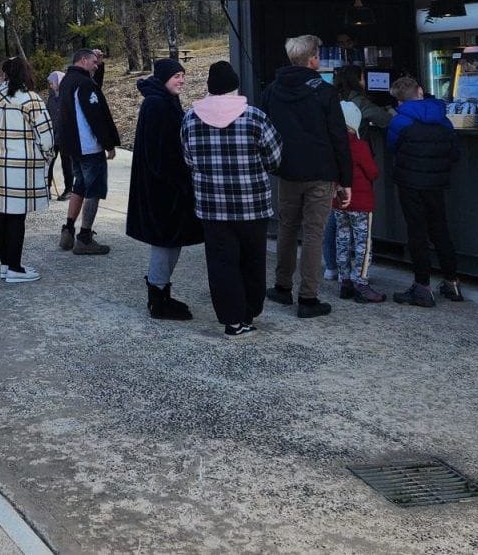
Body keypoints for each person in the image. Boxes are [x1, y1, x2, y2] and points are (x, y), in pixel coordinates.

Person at [181, 61, 282, 337]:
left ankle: (232, 320)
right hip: (252, 205)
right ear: (236, 87)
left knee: (221, 263)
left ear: (209, 89)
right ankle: (249, 312)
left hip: (212, 206)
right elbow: (274, 159)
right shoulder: (255, 117)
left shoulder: (190, 119)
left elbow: (188, 159)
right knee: (252, 261)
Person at [260, 34, 352, 319]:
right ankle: (308, 297)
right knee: (314, 231)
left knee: (287, 227)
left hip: (286, 171)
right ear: (313, 59)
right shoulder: (325, 93)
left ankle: (282, 286)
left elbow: (265, 132)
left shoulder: (271, 91)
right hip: (320, 172)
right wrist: (345, 179)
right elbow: (339, 137)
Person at [125, 58, 201, 320]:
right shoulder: (157, 105)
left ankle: (161, 292)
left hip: (168, 187)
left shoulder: (164, 100)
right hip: (163, 189)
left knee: (171, 240)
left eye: (183, 75)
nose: (181, 80)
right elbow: (161, 153)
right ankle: (158, 298)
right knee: (165, 241)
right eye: (176, 76)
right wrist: (179, 181)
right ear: (164, 77)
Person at [387, 76, 463, 307]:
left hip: (410, 183)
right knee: (440, 229)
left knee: (417, 233)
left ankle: (422, 287)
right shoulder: (443, 119)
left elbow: (392, 147)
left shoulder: (400, 121)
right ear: (420, 91)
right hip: (437, 183)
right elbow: (455, 152)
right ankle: (452, 282)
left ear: (399, 101)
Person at [0, 56, 55, 283]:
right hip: (22, 166)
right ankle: (14, 267)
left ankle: (5, 265)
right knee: (16, 217)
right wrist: (46, 157)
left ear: (5, 74)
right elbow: (47, 136)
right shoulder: (31, 100)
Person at [324, 65, 395, 279]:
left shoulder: (329, 98)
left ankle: (332, 266)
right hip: (358, 171)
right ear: (358, 80)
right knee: (359, 225)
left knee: (336, 217)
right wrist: (392, 110)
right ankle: (359, 275)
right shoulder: (360, 103)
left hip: (332, 162)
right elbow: (386, 120)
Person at [53, 48, 119, 255]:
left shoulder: (67, 82)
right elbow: (95, 115)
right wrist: (108, 143)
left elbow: (94, 87)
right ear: (83, 60)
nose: (96, 65)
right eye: (93, 62)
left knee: (79, 186)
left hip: (72, 146)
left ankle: (68, 229)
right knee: (94, 190)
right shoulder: (84, 84)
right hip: (89, 146)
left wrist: (99, 66)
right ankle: (84, 237)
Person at [335, 102, 385, 303]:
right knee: (363, 244)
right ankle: (361, 282)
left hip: (339, 202)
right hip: (361, 201)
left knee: (342, 239)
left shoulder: (332, 146)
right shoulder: (358, 145)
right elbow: (373, 172)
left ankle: (344, 280)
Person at [44, 70, 73, 197]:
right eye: (49, 83)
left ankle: (69, 190)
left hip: (66, 136)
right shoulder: (51, 98)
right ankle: (47, 188)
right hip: (53, 136)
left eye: (52, 83)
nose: (50, 86)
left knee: (67, 164)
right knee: (49, 163)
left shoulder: (68, 96)